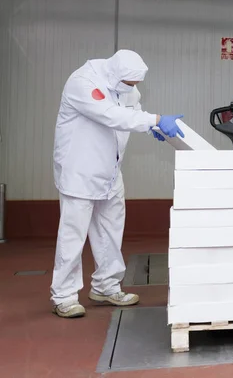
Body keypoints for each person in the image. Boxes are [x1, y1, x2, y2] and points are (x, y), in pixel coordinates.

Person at [51, 49, 184, 318]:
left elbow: (133, 112)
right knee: (72, 235)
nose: (133, 89)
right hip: (80, 170)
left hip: (110, 170)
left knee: (111, 230)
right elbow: (111, 116)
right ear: (115, 74)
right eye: (129, 84)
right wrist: (155, 120)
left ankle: (106, 286)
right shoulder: (83, 82)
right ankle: (63, 296)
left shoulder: (127, 88)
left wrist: (151, 127)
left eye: (136, 85)